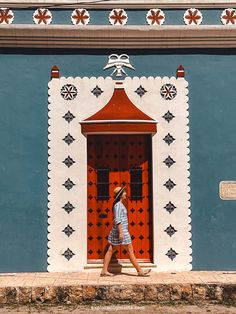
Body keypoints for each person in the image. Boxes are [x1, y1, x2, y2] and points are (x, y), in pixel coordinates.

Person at [100, 186, 151, 277]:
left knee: (111, 249)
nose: (125, 194)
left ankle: (104, 271)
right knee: (130, 250)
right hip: (121, 231)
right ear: (120, 195)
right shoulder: (118, 205)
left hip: (119, 230)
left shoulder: (118, 204)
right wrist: (121, 232)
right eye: (124, 192)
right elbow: (118, 219)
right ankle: (140, 271)